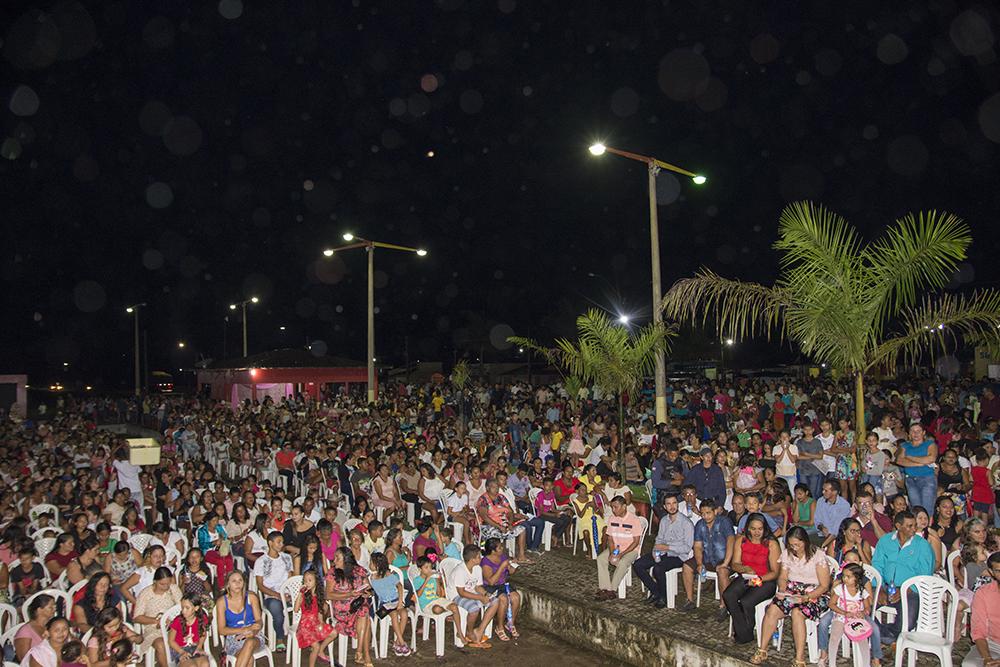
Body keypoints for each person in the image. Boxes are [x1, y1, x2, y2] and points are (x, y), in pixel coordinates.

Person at [751, 526, 832, 666]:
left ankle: (799, 658)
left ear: (805, 542)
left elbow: (824, 585)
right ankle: (762, 649)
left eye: (797, 544)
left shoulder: (817, 556)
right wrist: (782, 589)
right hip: (792, 591)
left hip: (815, 594)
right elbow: (782, 577)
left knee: (797, 613)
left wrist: (807, 597)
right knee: (772, 610)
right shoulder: (787, 554)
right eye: (791, 545)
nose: (794, 548)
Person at [871, 510, 936, 644]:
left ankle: (884, 634)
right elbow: (877, 566)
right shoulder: (885, 541)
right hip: (886, 586)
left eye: (914, 525)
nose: (914, 529)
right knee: (862, 608)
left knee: (908, 621)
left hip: (910, 590)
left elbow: (925, 574)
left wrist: (906, 589)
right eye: (909, 526)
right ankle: (886, 635)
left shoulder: (922, 545)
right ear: (898, 526)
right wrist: (879, 588)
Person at [724, 513, 781, 644]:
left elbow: (775, 572)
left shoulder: (771, 543)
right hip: (747, 575)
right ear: (748, 528)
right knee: (729, 595)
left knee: (746, 601)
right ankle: (745, 631)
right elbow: (735, 564)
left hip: (766, 579)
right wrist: (745, 569)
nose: (756, 532)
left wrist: (758, 579)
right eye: (753, 529)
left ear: (764, 528)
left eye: (759, 529)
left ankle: (743, 633)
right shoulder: (742, 540)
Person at [632, 493, 694, 608]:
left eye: (674, 503)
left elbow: (687, 548)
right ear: (665, 507)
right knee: (638, 564)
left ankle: (664, 597)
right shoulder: (664, 520)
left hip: (679, 556)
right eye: (669, 504)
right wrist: (656, 552)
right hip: (663, 552)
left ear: (678, 504)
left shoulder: (686, 523)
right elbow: (659, 539)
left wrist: (668, 548)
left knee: (658, 568)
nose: (672, 506)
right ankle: (656, 592)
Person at [682, 499, 734, 617]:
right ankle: (690, 600)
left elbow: (731, 542)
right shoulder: (700, 524)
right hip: (706, 557)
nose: (705, 516)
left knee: (722, 570)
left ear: (715, 511)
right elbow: (697, 546)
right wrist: (699, 563)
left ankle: (723, 605)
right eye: (703, 513)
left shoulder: (724, 522)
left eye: (708, 513)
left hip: (724, 557)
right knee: (686, 566)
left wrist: (726, 562)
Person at [447, 543, 499, 650]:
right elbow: (461, 593)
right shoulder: (460, 571)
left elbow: (477, 586)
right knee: (474, 609)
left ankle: (479, 630)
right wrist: (480, 598)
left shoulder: (477, 569)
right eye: (479, 556)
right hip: (456, 595)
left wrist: (485, 594)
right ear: (472, 559)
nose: (481, 558)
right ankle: (470, 632)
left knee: (495, 602)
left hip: (471, 592)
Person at [326, 547, 372, 667]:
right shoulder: (332, 573)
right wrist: (349, 594)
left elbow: (369, 587)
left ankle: (360, 652)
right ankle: (364, 654)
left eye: (337, 558)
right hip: (342, 608)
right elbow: (328, 594)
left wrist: (367, 592)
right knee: (365, 617)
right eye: (335, 557)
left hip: (358, 605)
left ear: (346, 560)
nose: (334, 561)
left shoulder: (359, 570)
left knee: (364, 611)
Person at [822, 562, 873, 667]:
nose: (845, 579)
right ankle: (832, 663)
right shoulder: (840, 589)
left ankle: (866, 664)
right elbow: (831, 604)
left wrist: (863, 612)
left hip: (856, 619)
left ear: (857, 578)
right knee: (834, 636)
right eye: (844, 576)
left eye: (848, 577)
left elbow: (868, 607)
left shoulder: (862, 591)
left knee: (863, 640)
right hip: (841, 616)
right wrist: (844, 612)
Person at [411, 555, 468, 643]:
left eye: (430, 567)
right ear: (420, 569)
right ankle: (447, 614)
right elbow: (418, 594)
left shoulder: (433, 579)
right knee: (437, 609)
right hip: (426, 604)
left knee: (454, 606)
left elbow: (438, 594)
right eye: (426, 567)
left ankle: (459, 632)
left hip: (437, 600)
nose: (429, 570)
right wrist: (427, 580)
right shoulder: (417, 580)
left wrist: (438, 581)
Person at [133, 566, 182, 667]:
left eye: (168, 583)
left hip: (174, 626)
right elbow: (137, 617)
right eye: (162, 584)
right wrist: (156, 621)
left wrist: (172, 621)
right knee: (161, 644)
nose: (166, 587)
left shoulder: (173, 589)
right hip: (154, 628)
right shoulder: (145, 593)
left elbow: (182, 608)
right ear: (155, 581)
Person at [252, 531, 292, 652]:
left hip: (287, 593)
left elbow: (290, 578)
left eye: (282, 542)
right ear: (270, 543)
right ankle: (280, 639)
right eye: (278, 542)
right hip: (271, 595)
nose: (281, 544)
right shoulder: (261, 561)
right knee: (276, 608)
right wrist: (278, 595)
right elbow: (260, 585)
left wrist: (289, 593)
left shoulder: (287, 557)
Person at [215, 571, 265, 667]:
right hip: (234, 638)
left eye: (240, 580)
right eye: (234, 581)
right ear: (228, 584)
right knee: (249, 659)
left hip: (254, 635)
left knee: (249, 642)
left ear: (244, 583)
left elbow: (259, 621)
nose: (237, 584)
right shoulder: (222, 602)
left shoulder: (251, 597)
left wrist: (252, 632)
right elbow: (221, 630)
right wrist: (243, 630)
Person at [368, 553, 412, 657]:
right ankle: (402, 642)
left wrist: (400, 602)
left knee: (404, 614)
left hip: (396, 600)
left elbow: (400, 587)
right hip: (384, 605)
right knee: (394, 615)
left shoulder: (388, 575)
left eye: (371, 562)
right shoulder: (371, 578)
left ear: (377, 565)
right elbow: (373, 591)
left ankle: (397, 641)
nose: (369, 564)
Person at [294, 570, 339, 667]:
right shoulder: (303, 595)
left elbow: (319, 612)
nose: (307, 583)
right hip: (305, 626)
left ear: (316, 582)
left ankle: (321, 651)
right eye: (305, 581)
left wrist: (321, 622)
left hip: (315, 623)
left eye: (310, 580)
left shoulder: (319, 595)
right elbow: (296, 609)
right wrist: (299, 594)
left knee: (334, 633)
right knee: (315, 646)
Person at [480, 538, 522, 641]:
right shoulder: (485, 562)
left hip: (502, 585)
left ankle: (510, 623)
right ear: (493, 550)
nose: (502, 549)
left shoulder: (502, 557)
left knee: (516, 597)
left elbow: (510, 572)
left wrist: (513, 566)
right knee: (503, 599)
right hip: (490, 586)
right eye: (500, 547)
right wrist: (501, 567)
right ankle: (500, 627)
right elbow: (491, 581)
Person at [965, 551, 1000, 667]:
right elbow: (978, 631)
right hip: (992, 644)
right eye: (998, 571)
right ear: (991, 572)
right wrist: (987, 658)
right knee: (969, 664)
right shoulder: (983, 593)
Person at [896, 423, 938, 516]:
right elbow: (899, 460)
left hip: (927, 478)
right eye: (913, 431)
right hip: (910, 479)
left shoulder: (930, 444)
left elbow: (931, 459)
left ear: (923, 433)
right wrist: (920, 463)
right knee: (915, 509)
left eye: (918, 431)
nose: (915, 433)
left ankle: (927, 529)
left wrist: (909, 457)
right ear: (909, 434)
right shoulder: (904, 445)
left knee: (927, 509)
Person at [167, 593, 211, 667]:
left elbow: (203, 634)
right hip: (179, 649)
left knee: (205, 664)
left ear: (196, 608)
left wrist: (199, 646)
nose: (183, 611)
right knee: (192, 666)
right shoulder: (178, 621)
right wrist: (182, 652)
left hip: (195, 647)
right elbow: (171, 641)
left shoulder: (201, 618)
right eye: (182, 607)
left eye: (187, 608)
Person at [15, 594, 55, 662]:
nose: (54, 610)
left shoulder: (52, 626)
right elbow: (24, 660)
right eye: (51, 607)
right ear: (39, 610)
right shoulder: (25, 631)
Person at [571, 482, 605, 559]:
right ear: (577, 491)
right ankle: (589, 550)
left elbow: (597, 511)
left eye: (585, 490)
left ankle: (603, 549)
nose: (585, 491)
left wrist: (594, 507)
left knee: (605, 528)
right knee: (586, 532)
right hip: (584, 519)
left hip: (594, 516)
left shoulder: (591, 497)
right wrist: (586, 505)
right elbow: (580, 515)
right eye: (582, 490)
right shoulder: (576, 501)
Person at [815, 479, 852, 546]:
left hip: (837, 538)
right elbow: (817, 521)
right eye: (823, 489)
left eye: (826, 490)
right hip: (821, 535)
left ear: (835, 492)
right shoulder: (820, 501)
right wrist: (822, 527)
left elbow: (836, 530)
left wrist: (823, 545)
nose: (823, 492)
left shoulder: (844, 505)